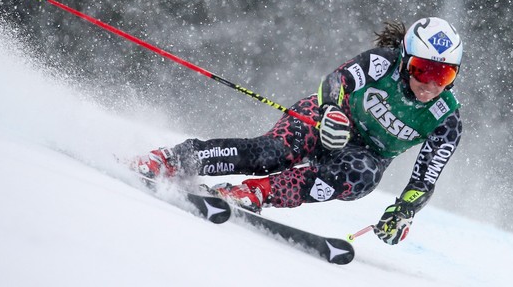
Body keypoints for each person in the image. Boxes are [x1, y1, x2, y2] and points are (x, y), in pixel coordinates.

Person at [135, 17, 463, 245]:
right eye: (423, 70)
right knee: (274, 153)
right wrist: (332, 111)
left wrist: (404, 212)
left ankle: (256, 192)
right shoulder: (382, 63)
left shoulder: (445, 118)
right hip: (331, 120)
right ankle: (177, 159)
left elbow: (424, 179)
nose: (431, 84)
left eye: (444, 76)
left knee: (362, 176)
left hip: (364, 155)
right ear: (405, 59)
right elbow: (337, 81)